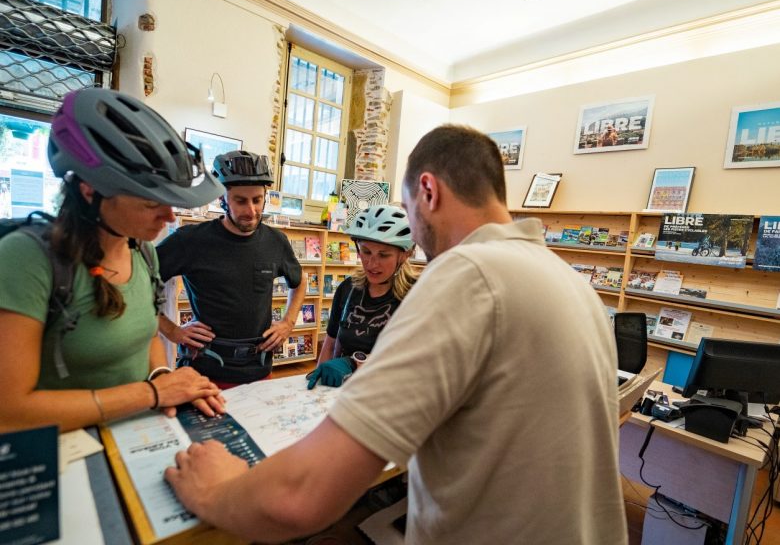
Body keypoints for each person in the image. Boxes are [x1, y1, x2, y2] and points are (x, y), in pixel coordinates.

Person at [165, 125, 627, 544]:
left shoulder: (467, 275)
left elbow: (302, 497)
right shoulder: (571, 282)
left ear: (427, 190)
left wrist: (218, 491)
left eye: (407, 210)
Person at [0, 88, 226, 433]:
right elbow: (11, 411)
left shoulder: (143, 252)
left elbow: (148, 334)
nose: (168, 216)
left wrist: (165, 378)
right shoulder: (27, 259)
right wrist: (151, 392)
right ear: (91, 190)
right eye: (152, 203)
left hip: (134, 436)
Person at [156, 150, 305, 387]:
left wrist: (288, 322)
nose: (251, 211)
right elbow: (139, 281)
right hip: (204, 373)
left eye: (257, 200)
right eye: (240, 201)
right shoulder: (190, 240)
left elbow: (299, 282)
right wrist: (172, 330)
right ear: (222, 198)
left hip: (260, 371)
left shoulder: (276, 241)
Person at [306, 204, 418, 389]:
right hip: (343, 392)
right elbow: (330, 343)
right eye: (366, 251)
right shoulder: (347, 289)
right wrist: (318, 380)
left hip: (390, 395)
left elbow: (414, 360)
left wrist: (353, 363)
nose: (372, 263)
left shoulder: (416, 294)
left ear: (404, 255)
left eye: (383, 255)